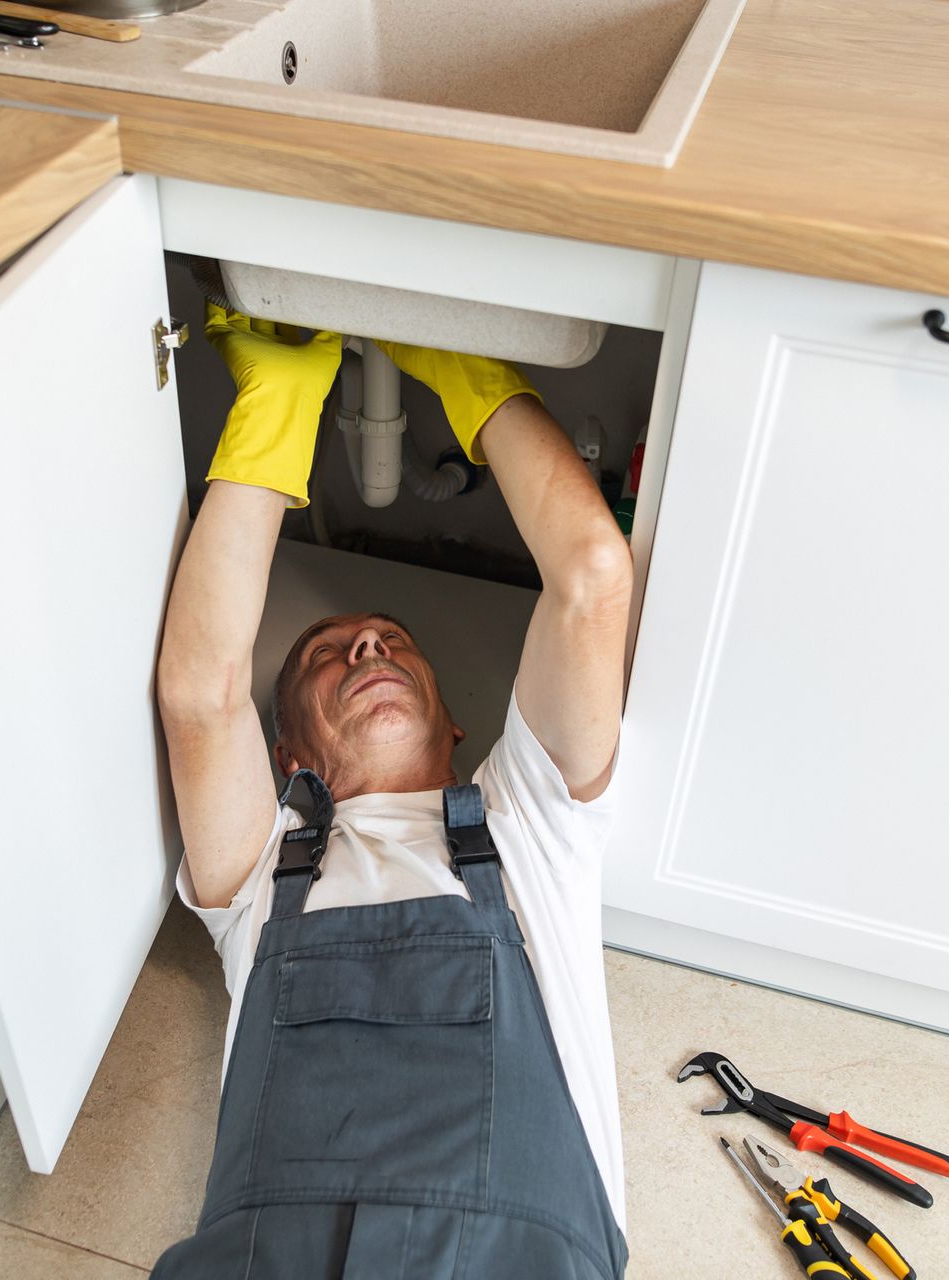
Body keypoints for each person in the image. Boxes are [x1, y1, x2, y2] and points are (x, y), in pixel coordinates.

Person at [152, 303, 634, 1278]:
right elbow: (201, 694)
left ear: (458, 725)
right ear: (288, 755)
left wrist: (469, 373)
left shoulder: (532, 825)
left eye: (391, 643)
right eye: (329, 656)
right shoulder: (263, 866)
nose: (366, 645)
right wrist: (275, 407)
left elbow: (591, 575)